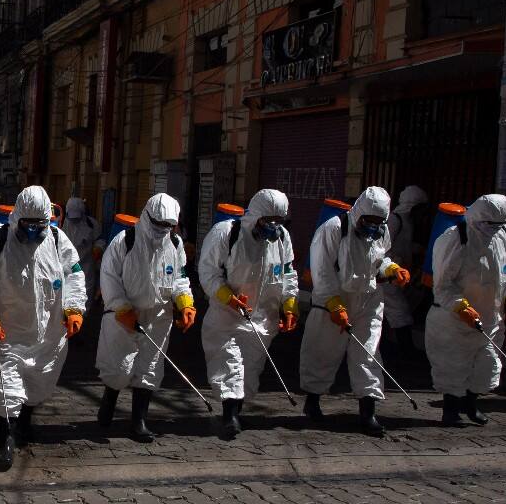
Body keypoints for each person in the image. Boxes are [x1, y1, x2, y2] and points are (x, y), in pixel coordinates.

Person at [0, 185, 84, 470]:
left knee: (39, 380)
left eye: (39, 225)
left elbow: (74, 275)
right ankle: (5, 439)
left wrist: (74, 308)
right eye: (27, 224)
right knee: (5, 386)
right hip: (7, 330)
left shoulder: (57, 239)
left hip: (48, 331)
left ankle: (25, 423)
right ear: (17, 217)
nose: (33, 231)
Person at [300, 187, 408, 436]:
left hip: (368, 300)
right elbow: (322, 271)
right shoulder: (333, 229)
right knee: (322, 351)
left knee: (368, 353)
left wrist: (392, 270)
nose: (373, 227)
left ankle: (368, 411)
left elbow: (379, 261)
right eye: (368, 221)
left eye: (378, 222)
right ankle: (313, 400)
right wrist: (334, 304)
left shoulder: (382, 232)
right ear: (358, 213)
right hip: (334, 298)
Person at [199, 189, 297, 439]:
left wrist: (289, 305)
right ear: (256, 216)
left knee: (250, 371)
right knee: (230, 364)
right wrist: (226, 297)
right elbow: (209, 272)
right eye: (268, 221)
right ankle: (230, 414)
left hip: (263, 317)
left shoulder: (282, 238)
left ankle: (236, 410)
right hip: (226, 316)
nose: (274, 227)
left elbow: (287, 274)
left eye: (279, 221)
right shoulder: (227, 234)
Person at [95, 194, 193, 442]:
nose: (162, 231)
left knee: (150, 366)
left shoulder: (176, 243)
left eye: (167, 226)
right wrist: (121, 307)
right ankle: (109, 399)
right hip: (124, 314)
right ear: (146, 216)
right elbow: (109, 277)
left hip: (159, 314)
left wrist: (185, 302)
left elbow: (180, 277)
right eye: (158, 224)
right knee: (118, 366)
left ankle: (138, 421)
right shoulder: (125, 240)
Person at [426, 194, 506, 426]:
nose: (496, 229)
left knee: (486, 365)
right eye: (491, 224)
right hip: (454, 319)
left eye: (501, 225)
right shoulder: (454, 239)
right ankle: (450, 410)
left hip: (490, 316)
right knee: (453, 365)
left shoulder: (502, 235)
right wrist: (461, 307)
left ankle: (471, 405)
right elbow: (442, 285)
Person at [383, 185, 428, 358]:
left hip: (398, 275)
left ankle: (390, 348)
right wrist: (396, 264)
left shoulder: (406, 221)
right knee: (399, 311)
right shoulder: (395, 220)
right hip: (389, 275)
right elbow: (384, 248)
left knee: (393, 312)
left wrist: (418, 249)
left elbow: (404, 245)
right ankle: (406, 352)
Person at [61, 197, 104, 304]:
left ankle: (84, 317)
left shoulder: (92, 224)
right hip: (66, 264)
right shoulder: (61, 223)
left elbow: (100, 239)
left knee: (85, 293)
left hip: (86, 264)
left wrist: (98, 248)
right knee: (66, 292)